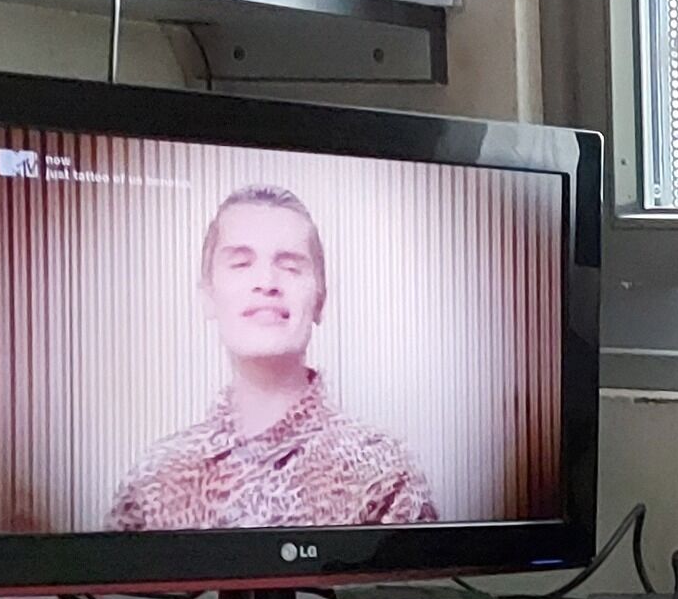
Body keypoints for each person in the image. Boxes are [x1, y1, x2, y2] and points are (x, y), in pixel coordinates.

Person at [105, 184, 437, 532]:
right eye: (241, 263)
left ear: (320, 300)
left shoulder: (383, 475)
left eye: (290, 267)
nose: (266, 282)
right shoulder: (154, 481)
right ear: (208, 296)